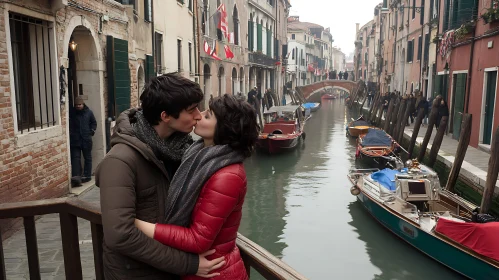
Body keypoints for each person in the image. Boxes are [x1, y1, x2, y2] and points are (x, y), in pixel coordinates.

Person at [96, 73, 225, 280]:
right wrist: (188, 264)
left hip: (169, 269)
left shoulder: (183, 150)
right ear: (165, 116)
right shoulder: (120, 161)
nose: (199, 116)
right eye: (191, 110)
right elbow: (120, 235)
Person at [134, 94, 259, 280]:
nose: (199, 116)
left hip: (214, 272)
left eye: (208, 116)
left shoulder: (228, 176)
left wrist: (134, 223)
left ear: (225, 129)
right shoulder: (197, 154)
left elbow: (197, 239)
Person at [69, 96, 97, 186]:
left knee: (87, 158)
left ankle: (87, 176)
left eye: (80, 104)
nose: (78, 106)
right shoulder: (72, 113)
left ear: (83, 104)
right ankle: (76, 177)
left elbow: (94, 123)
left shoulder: (89, 112)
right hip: (75, 140)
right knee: (75, 158)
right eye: (76, 105)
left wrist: (91, 131)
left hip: (86, 139)